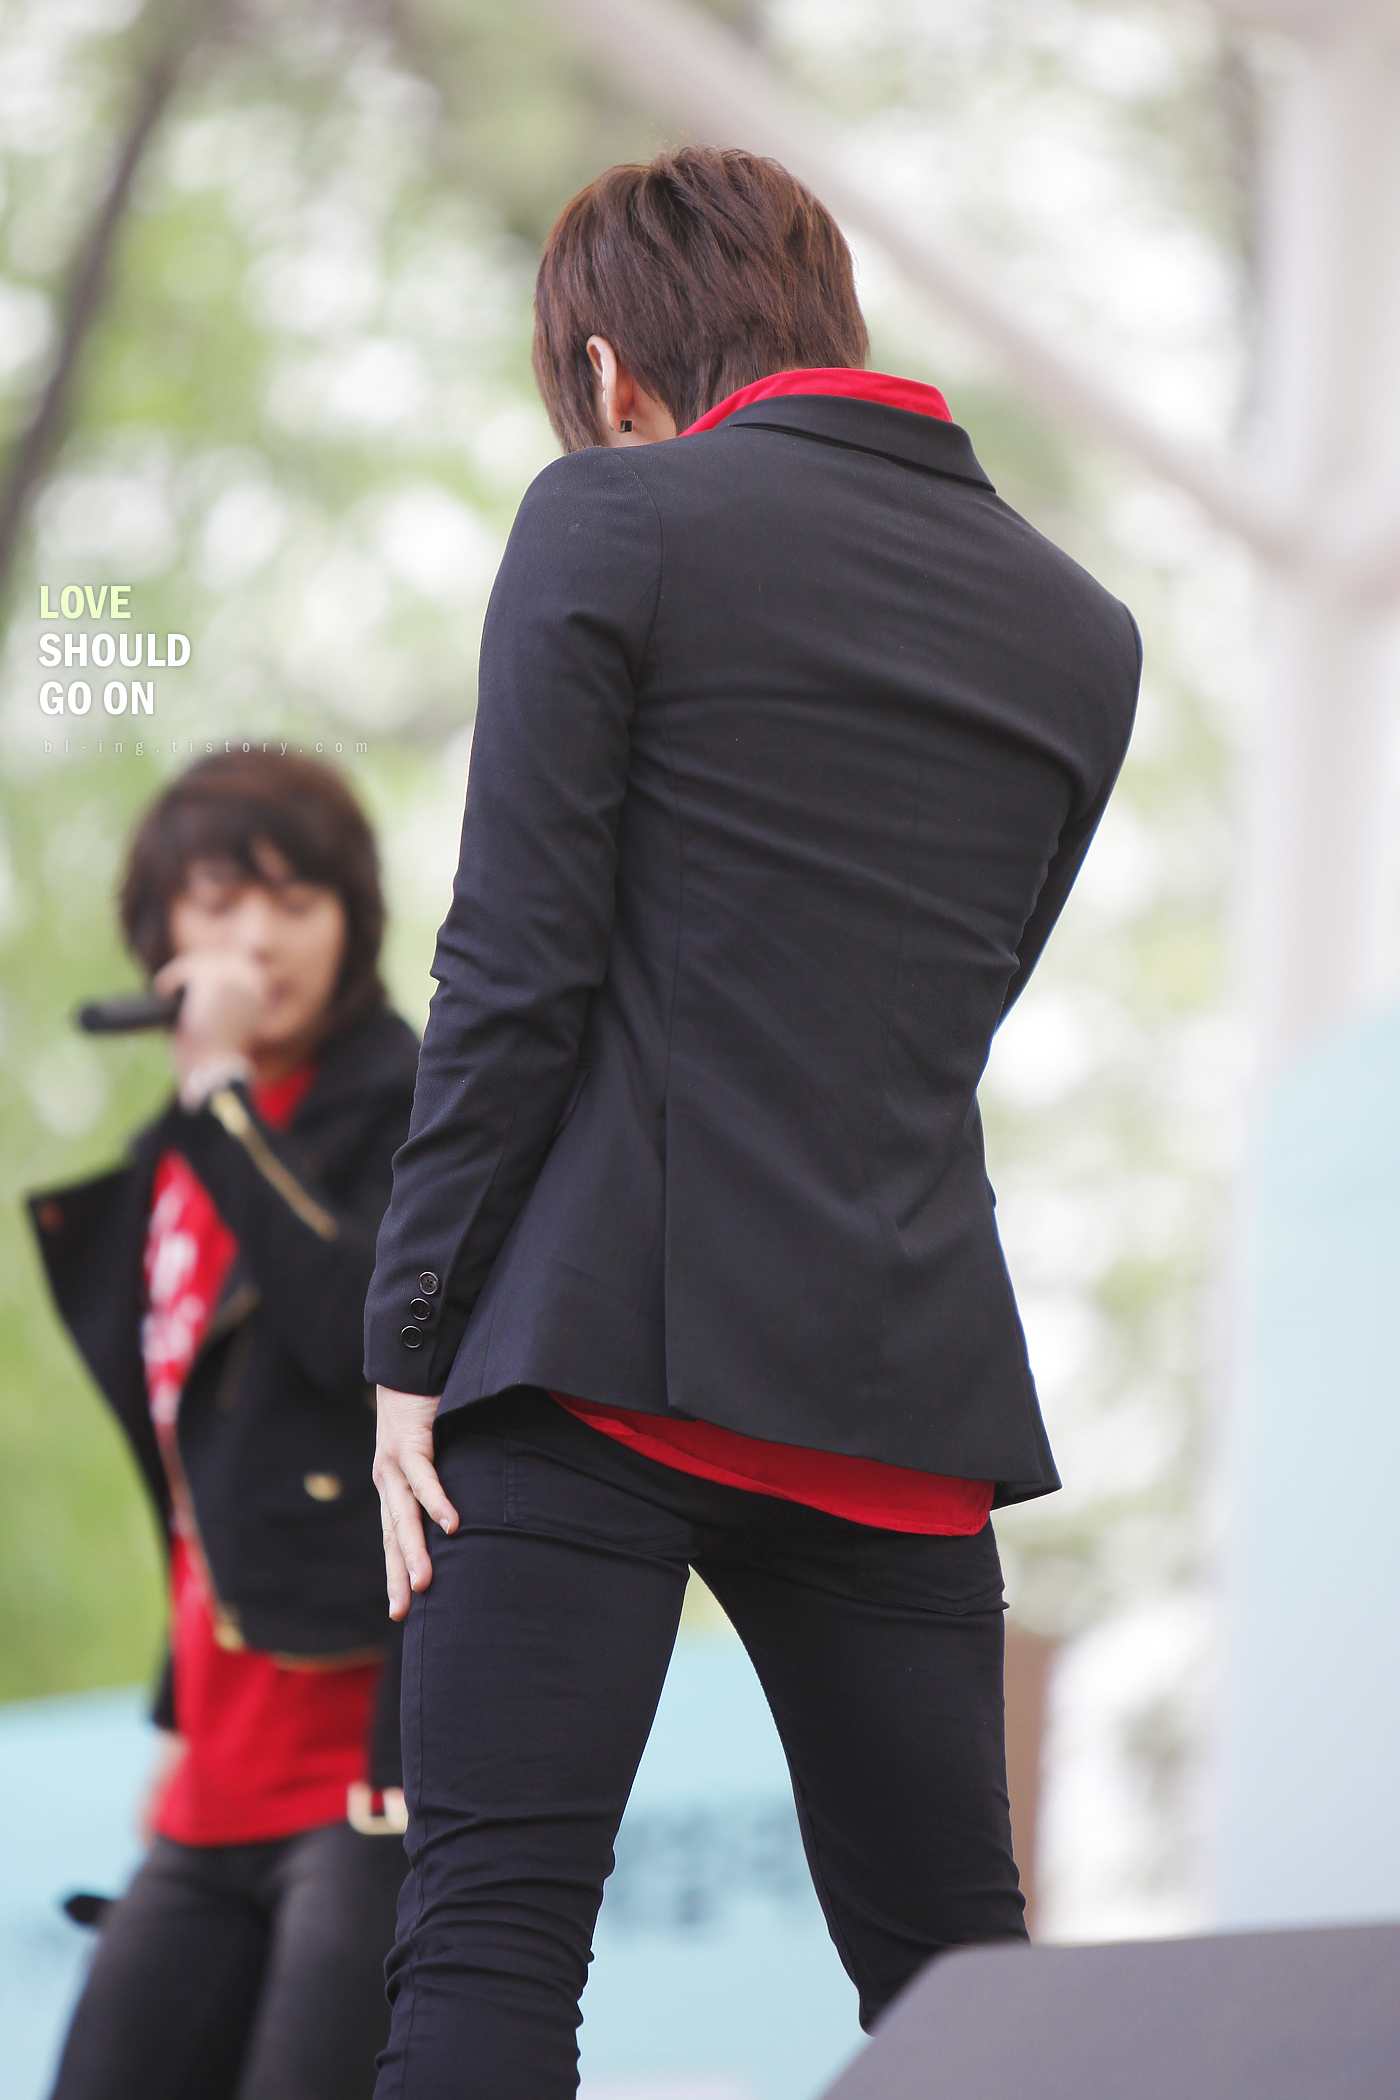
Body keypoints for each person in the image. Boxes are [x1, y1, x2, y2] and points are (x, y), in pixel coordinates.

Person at [365, 146, 1142, 2098]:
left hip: (593, 1356)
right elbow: (952, 1006)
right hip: (900, 1392)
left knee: (488, 1952)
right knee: (963, 1996)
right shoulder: (1084, 632)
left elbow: (515, 973)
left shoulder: (609, 521)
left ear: (608, 371)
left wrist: (408, 1339)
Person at [29, 751, 420, 2100]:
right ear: (161, 934)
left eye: (297, 902)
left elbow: (367, 1332)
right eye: (219, 901)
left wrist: (223, 1100)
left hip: (367, 1764)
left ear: (353, 924)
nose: (259, 941)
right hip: (213, 1773)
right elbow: (205, 1478)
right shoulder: (163, 1170)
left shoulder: (411, 1105)